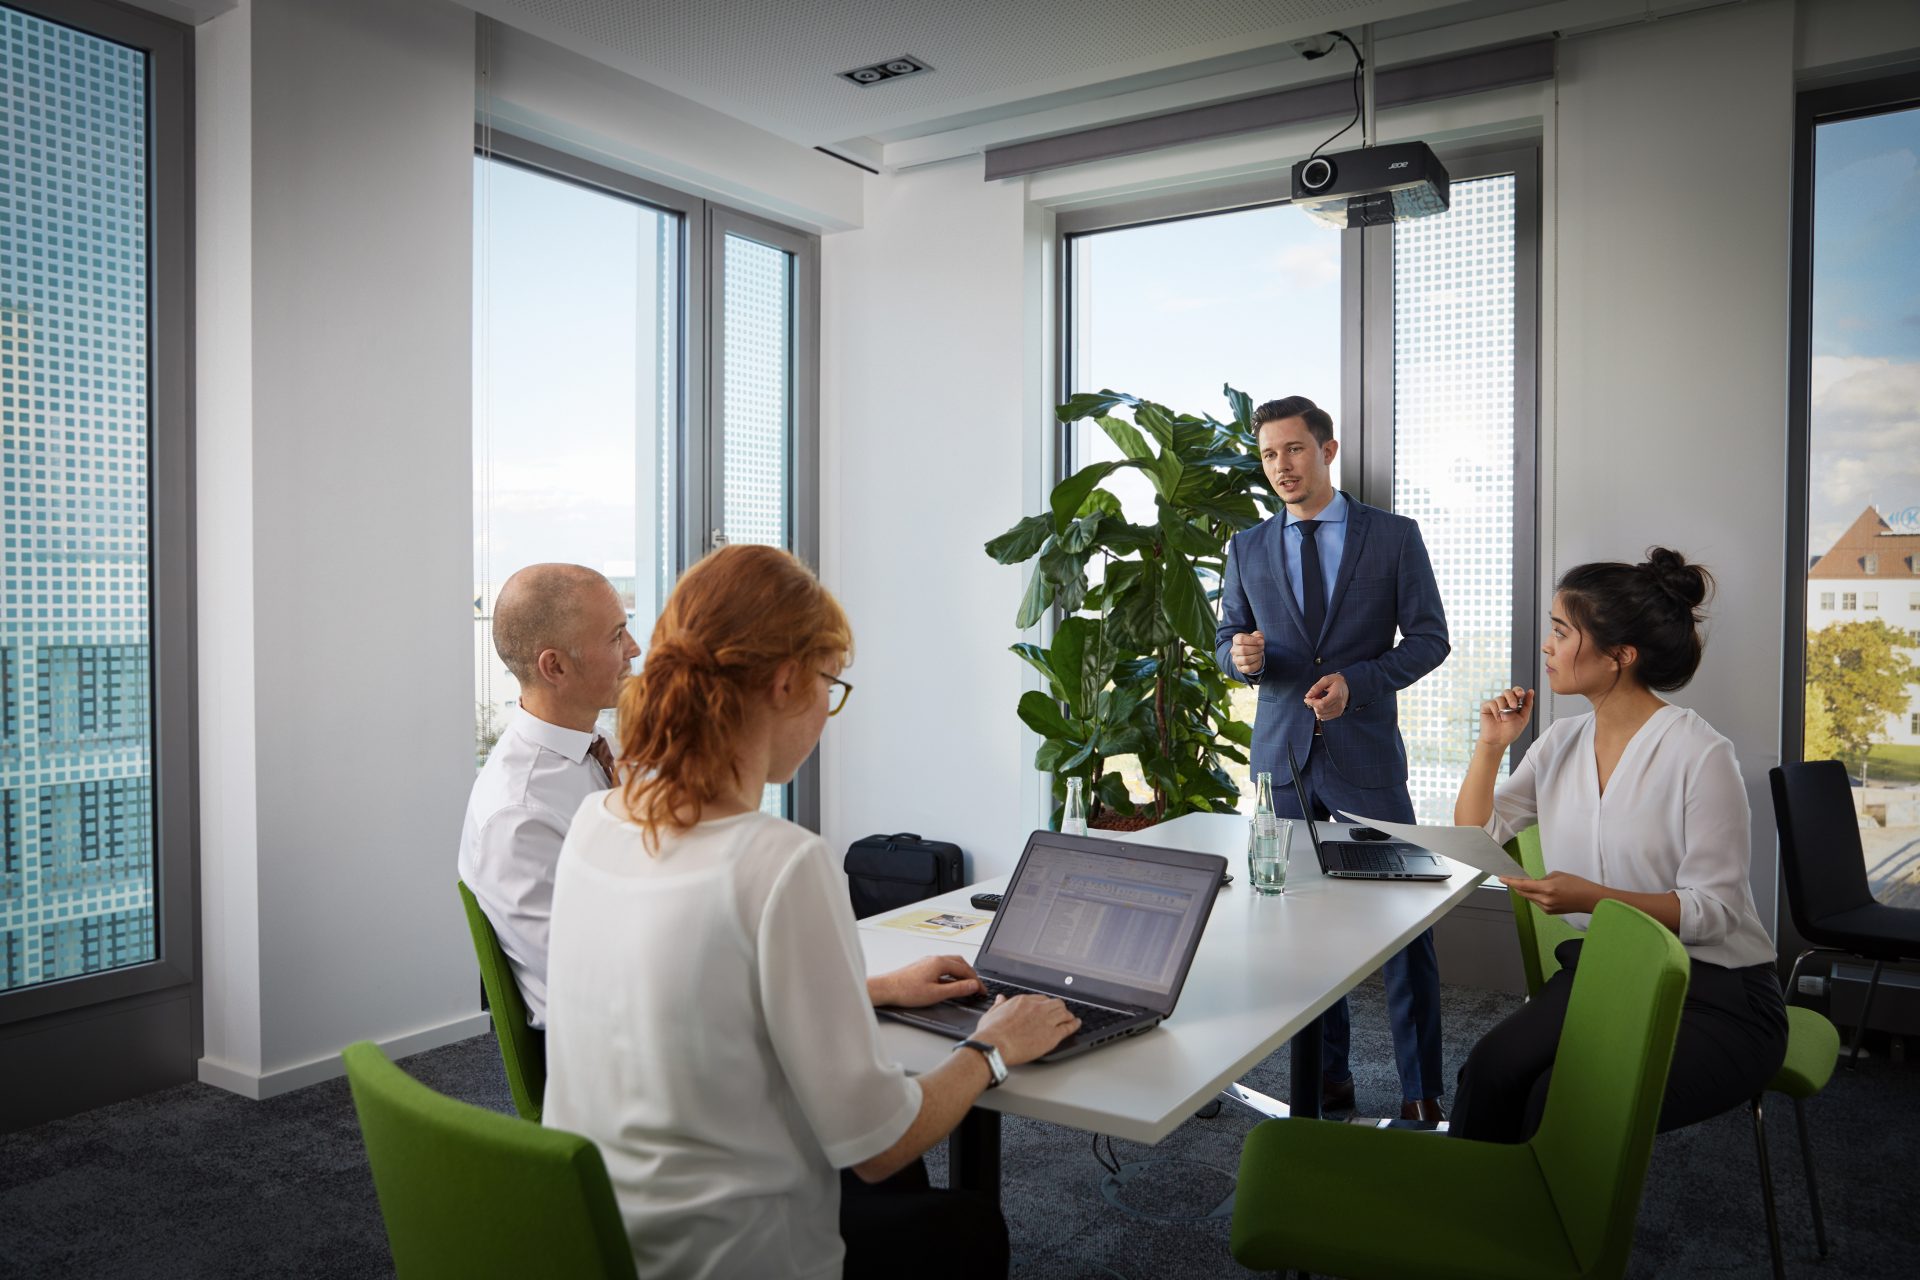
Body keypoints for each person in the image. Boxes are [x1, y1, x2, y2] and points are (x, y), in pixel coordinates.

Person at [541, 543, 1080, 1280]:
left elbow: (688, 1003)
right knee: (966, 1225)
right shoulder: (781, 859)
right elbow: (880, 1142)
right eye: (830, 683)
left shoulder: (597, 821)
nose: (829, 709)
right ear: (788, 682)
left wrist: (878, 989)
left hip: (605, 1241)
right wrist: (993, 1047)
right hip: (736, 1260)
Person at [1450, 548, 1787, 1143]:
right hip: (1607, 969)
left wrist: (1597, 898)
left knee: (1561, 1101)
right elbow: (1476, 838)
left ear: (1619, 657)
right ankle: (1465, 1224)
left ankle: (1537, 1233)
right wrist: (1491, 747)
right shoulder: (1561, 742)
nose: (1547, 647)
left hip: (1715, 992)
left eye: (1561, 632)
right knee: (1489, 1072)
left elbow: (1716, 912)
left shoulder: (1701, 755)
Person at [1214, 395, 1452, 1122]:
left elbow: (1429, 639)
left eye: (1293, 450)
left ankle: (1420, 1090)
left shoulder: (1393, 537)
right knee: (1297, 934)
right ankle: (1327, 1078)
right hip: (1281, 764)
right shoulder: (1247, 547)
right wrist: (1242, 657)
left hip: (1367, 759)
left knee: (1408, 929)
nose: (1280, 467)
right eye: (1267, 455)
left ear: (1328, 450)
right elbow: (1228, 641)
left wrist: (1359, 682)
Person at [457, 562, 639, 1029]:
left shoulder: (597, 750)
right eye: (617, 636)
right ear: (554, 666)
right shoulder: (519, 812)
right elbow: (590, 977)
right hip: (608, 1044)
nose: (634, 650)